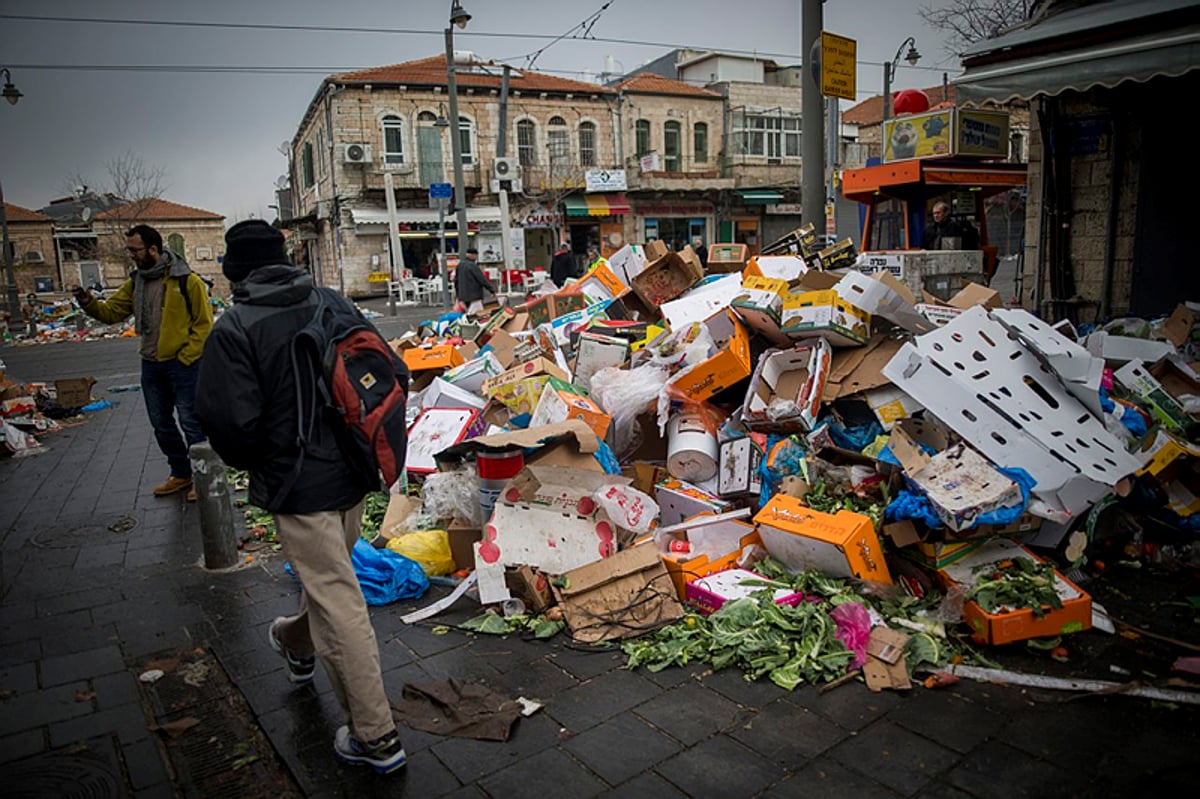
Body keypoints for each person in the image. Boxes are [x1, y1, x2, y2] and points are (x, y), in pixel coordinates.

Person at [194, 220, 407, 774]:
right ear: (285, 257)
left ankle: (376, 736)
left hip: (299, 485)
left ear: (235, 269)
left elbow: (229, 425)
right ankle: (294, 641)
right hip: (356, 472)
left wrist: (268, 459)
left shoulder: (236, 328)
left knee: (337, 596)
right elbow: (393, 371)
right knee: (330, 581)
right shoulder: (332, 301)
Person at [72, 224, 212, 501]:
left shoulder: (187, 281)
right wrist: (87, 301)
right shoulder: (137, 282)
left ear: (152, 249)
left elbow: (204, 325)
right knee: (161, 423)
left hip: (183, 365)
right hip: (151, 363)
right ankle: (181, 472)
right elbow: (112, 313)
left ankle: (202, 478)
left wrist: (186, 356)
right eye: (129, 250)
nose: (131, 255)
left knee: (191, 423)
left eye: (135, 250)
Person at [453, 247, 495, 315]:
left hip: (463, 296)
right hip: (474, 295)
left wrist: (458, 294)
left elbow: (456, 280)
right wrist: (491, 290)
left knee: (466, 314)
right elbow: (481, 279)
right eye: (476, 255)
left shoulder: (460, 265)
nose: (476, 257)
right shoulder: (473, 265)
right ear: (473, 255)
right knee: (476, 315)